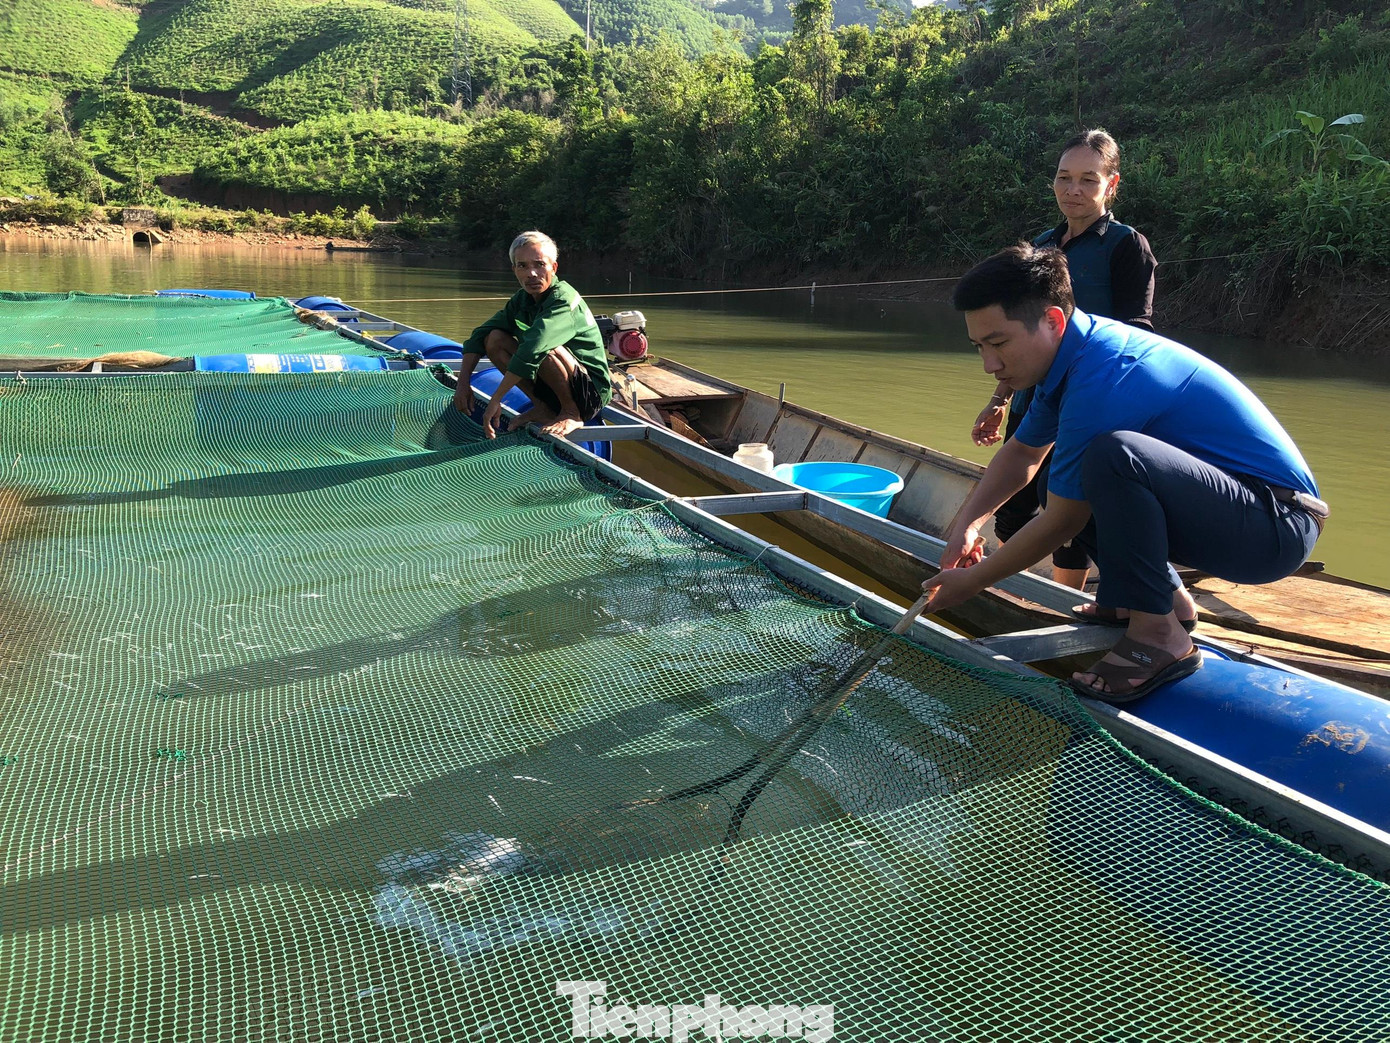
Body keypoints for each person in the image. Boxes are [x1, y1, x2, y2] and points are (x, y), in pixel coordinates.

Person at [925, 244, 1326, 703]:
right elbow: (1022, 454)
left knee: (1113, 456)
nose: (989, 365)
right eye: (980, 347)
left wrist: (973, 583)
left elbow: (1063, 521)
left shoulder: (1106, 369)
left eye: (998, 344)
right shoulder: (1070, 356)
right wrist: (966, 525)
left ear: (1053, 321)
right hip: (1236, 511)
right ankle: (1159, 602)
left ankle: (1159, 636)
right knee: (1067, 465)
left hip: (1273, 525)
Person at [970, 129, 1158, 591]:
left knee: (1065, 500)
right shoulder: (1040, 247)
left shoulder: (1127, 246)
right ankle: (1020, 589)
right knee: (1014, 506)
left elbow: (1138, 332)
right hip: (1034, 394)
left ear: (1111, 185)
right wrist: (999, 398)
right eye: (1064, 177)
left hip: (1090, 398)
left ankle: (1062, 594)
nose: (1073, 190)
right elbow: (1014, 334)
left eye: (1088, 180)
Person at [453, 231, 612, 439]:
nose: (532, 274)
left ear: (553, 268)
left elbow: (535, 347)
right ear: (514, 270)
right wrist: (463, 384)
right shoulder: (522, 300)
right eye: (523, 266)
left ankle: (571, 413)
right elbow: (479, 335)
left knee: (543, 346)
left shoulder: (564, 300)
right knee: (494, 339)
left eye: (539, 264)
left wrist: (496, 399)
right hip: (553, 385)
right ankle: (543, 407)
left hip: (590, 395)